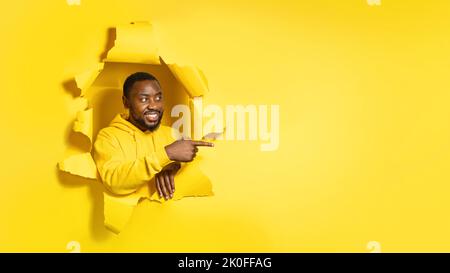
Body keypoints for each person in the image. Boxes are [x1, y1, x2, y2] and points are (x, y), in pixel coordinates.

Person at [93, 72, 213, 200]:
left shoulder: (172, 134)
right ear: (126, 102)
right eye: (144, 99)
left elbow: (190, 174)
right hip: (131, 218)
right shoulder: (108, 136)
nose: (154, 105)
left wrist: (173, 167)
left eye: (158, 98)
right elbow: (114, 181)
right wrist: (166, 155)